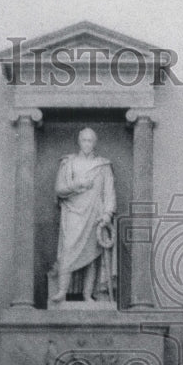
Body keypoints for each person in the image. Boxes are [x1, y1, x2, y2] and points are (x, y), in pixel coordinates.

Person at [50, 127, 116, 303]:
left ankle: (88, 294)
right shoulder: (68, 163)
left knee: (92, 255)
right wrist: (77, 184)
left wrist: (108, 214)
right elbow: (59, 189)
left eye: (91, 140)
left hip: (95, 212)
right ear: (79, 141)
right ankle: (62, 292)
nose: (87, 144)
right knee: (68, 249)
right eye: (84, 140)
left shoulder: (103, 166)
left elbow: (109, 192)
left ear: (95, 143)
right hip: (73, 212)